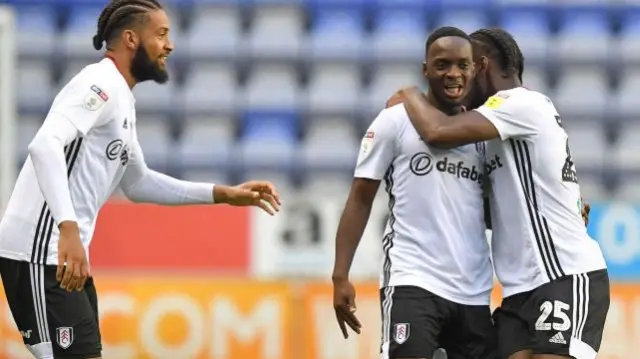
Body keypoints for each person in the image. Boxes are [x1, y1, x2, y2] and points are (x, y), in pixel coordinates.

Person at [0, 1, 281, 358]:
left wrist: (224, 194)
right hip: (39, 251)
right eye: (161, 34)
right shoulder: (99, 83)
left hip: (65, 258)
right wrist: (68, 228)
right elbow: (44, 145)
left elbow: (138, 183)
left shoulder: (122, 99)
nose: (170, 45)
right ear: (131, 39)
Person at [393, 27, 609, 359]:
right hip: (518, 291)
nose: (458, 79)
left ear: (481, 65)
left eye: (465, 67)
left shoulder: (521, 104)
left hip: (564, 275)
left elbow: (436, 132)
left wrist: (410, 96)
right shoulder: (492, 133)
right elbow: (496, 211)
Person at [332, 27, 498, 359]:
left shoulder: (484, 132)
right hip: (413, 280)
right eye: (442, 65)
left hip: (475, 291)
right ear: (425, 69)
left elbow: (501, 209)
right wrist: (340, 275)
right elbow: (361, 197)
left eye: (462, 65)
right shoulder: (394, 121)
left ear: (475, 69)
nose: (453, 74)